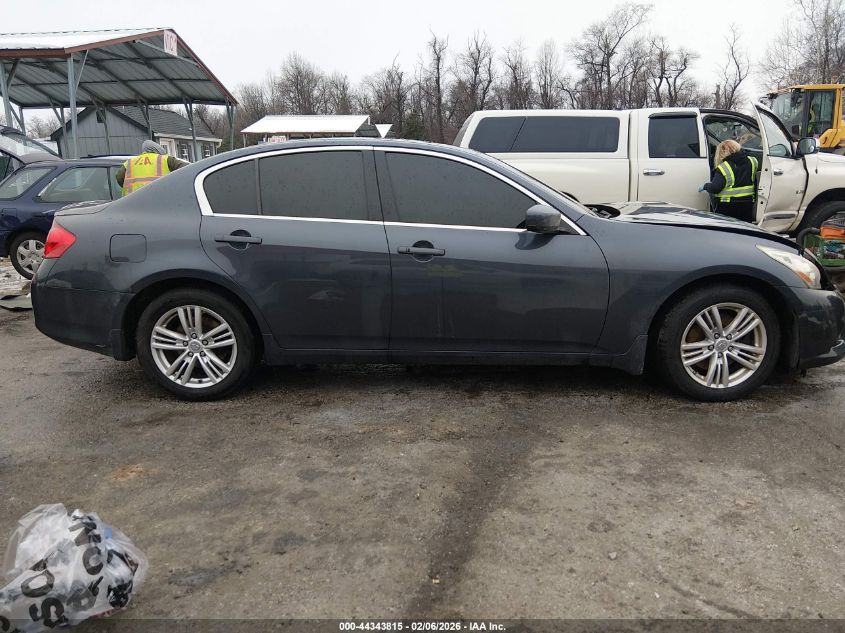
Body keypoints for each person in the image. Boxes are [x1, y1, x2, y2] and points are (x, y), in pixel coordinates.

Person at [698, 139, 758, 223]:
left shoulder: (724, 167)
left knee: (729, 230)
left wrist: (706, 186)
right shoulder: (753, 161)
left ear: (722, 152)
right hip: (747, 203)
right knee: (745, 230)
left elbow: (715, 188)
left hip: (728, 206)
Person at [115, 140, 188, 196]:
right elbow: (187, 169)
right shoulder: (165, 159)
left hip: (131, 201)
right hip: (158, 199)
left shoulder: (130, 162)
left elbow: (119, 177)